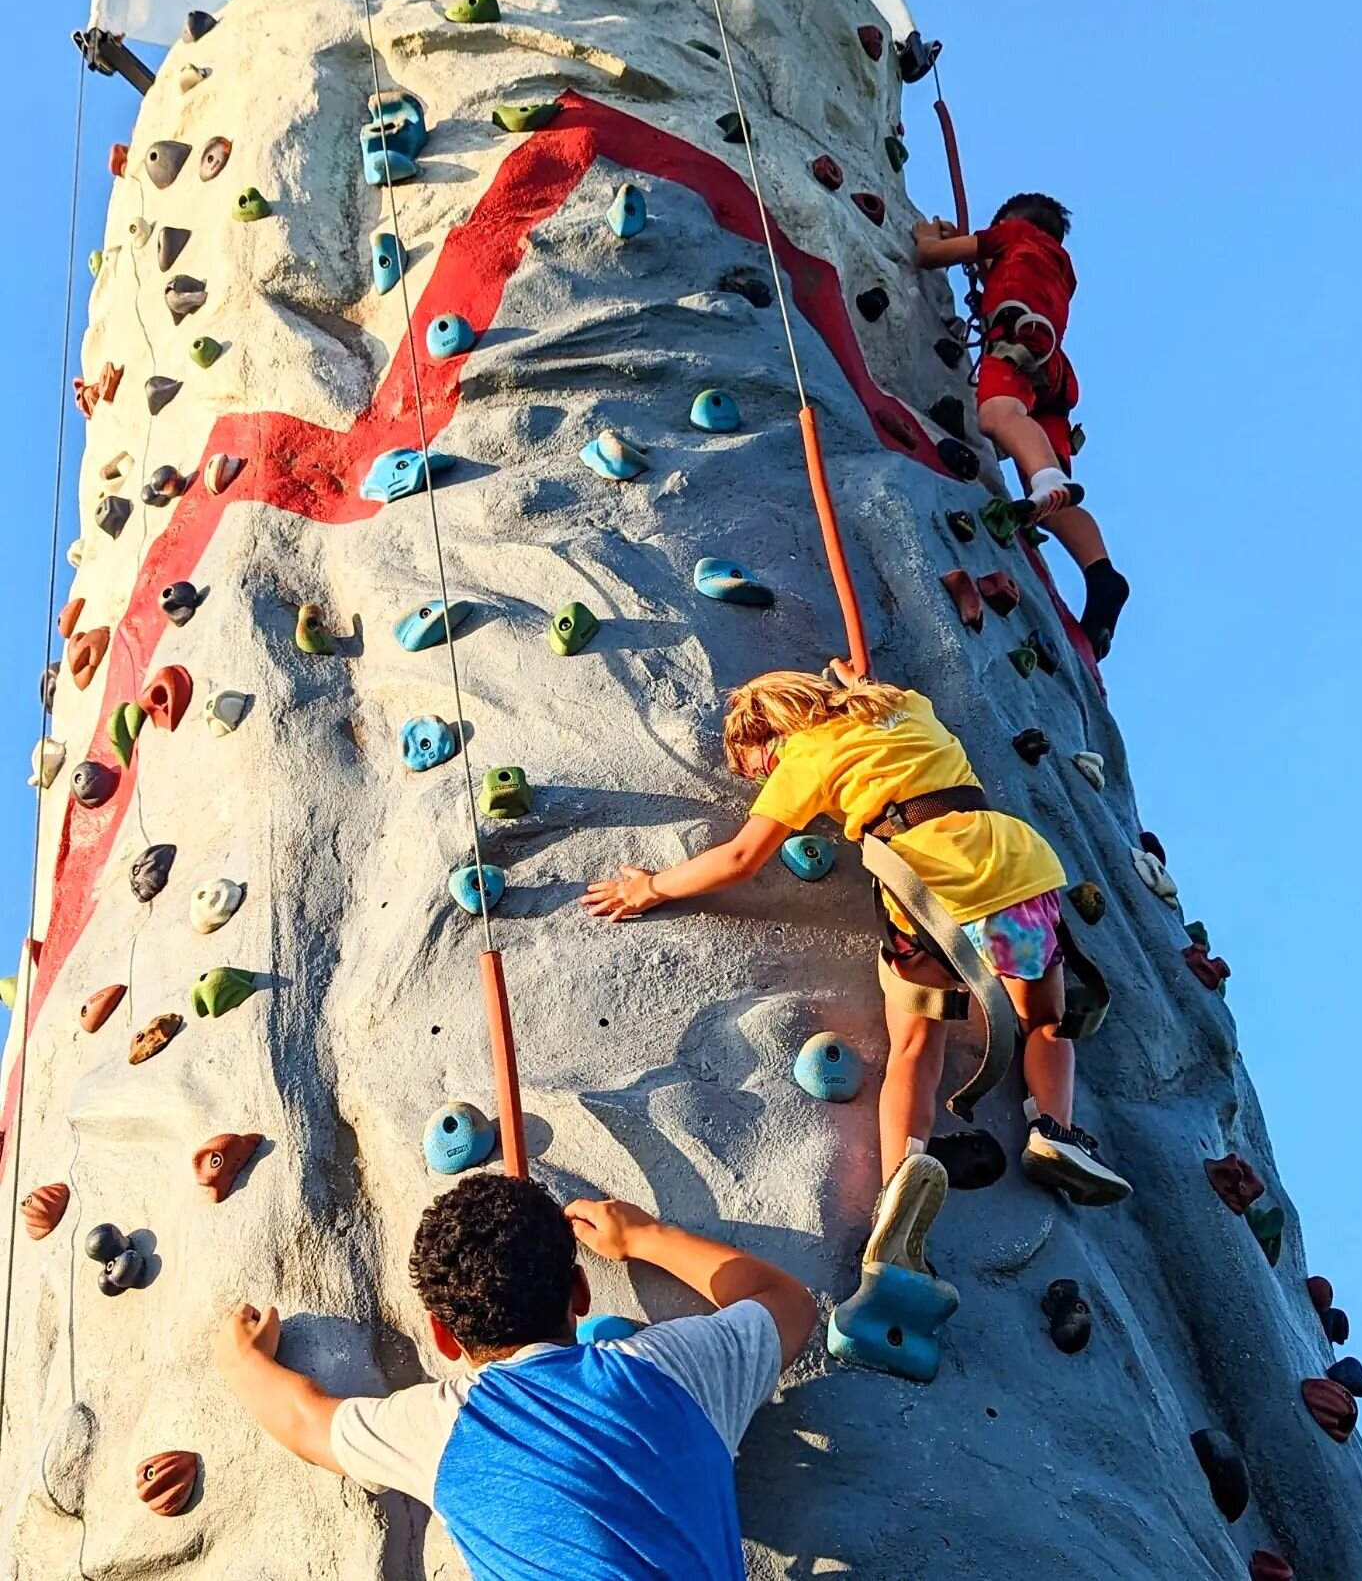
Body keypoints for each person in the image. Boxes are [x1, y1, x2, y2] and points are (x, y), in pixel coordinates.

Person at [584, 665, 1131, 1255]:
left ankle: (902, 1175)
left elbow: (742, 856)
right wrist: (853, 682)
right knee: (1045, 1021)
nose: (764, 778)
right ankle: (1055, 1130)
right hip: (1012, 871)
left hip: (924, 894)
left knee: (916, 1046)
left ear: (772, 734)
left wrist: (651, 888)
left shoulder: (805, 757)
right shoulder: (905, 703)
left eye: (759, 767)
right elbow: (869, 686)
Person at [214, 1173, 815, 1581]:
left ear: (443, 1336)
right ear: (579, 1292)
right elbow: (786, 1300)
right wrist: (643, 1236)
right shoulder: (671, 1368)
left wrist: (243, 1362)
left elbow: (304, 1421)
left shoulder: (440, 1428)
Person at [913, 192, 1130, 659]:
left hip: (1018, 341)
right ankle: (1101, 573)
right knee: (1048, 490)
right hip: (1053, 368)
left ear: (1009, 223)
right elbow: (1001, 273)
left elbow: (928, 256)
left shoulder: (1014, 235)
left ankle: (1048, 480)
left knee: (997, 416)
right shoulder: (1057, 266)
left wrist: (930, 234)